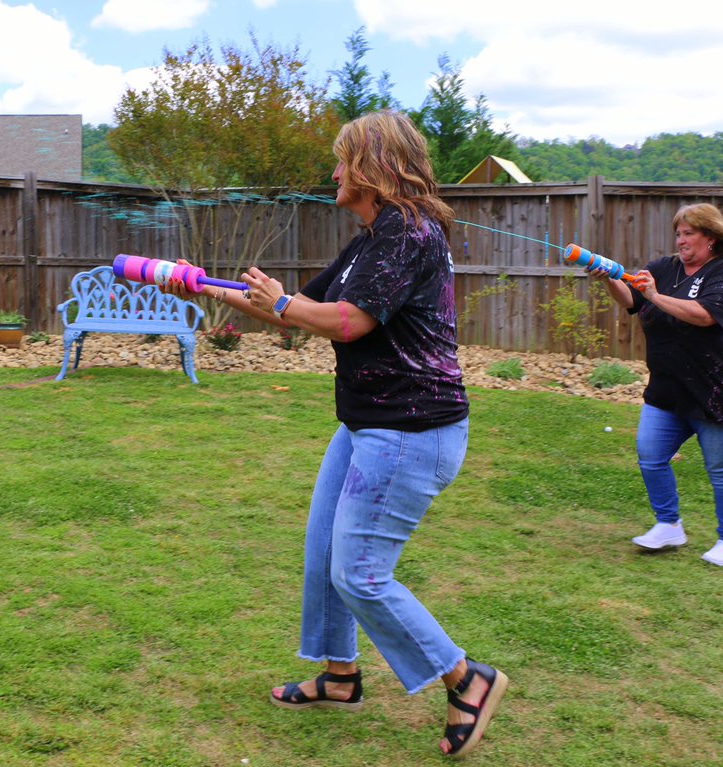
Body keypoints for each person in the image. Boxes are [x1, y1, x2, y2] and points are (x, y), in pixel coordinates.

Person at [164, 110, 507, 758]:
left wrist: (286, 305)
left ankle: (468, 678)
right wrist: (197, 281)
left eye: (343, 160)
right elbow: (296, 308)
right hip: (368, 424)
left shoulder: (410, 232)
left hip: (410, 430)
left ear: (374, 168)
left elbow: (349, 322)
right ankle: (340, 673)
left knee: (360, 572)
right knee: (325, 549)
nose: (334, 172)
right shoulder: (373, 237)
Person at [589, 203, 723, 567]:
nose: (680, 240)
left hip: (720, 391)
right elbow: (631, 301)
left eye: (689, 234)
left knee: (722, 467)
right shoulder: (662, 268)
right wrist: (608, 277)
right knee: (651, 456)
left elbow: (704, 316)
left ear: (711, 238)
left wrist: (654, 296)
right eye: (678, 233)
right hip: (668, 388)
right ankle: (669, 525)